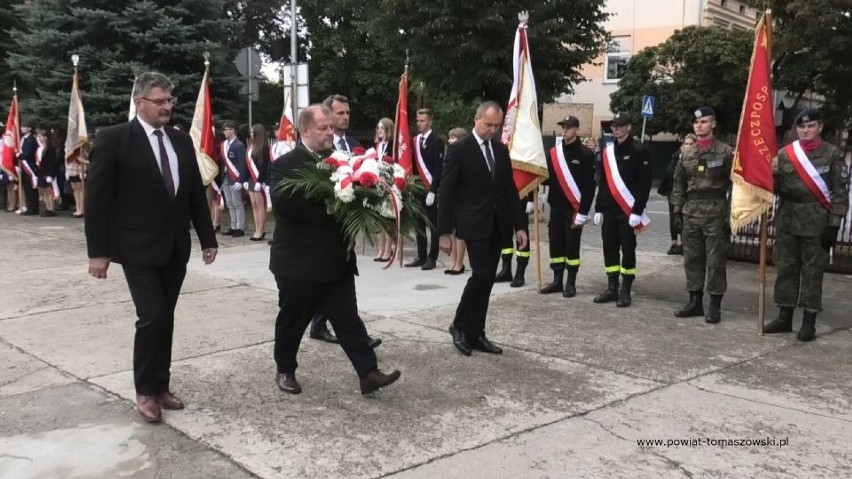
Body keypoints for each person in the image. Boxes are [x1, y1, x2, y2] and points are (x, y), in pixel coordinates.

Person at [84, 72, 218, 422]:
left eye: (169, 101)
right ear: (139, 102)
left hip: (174, 248)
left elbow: (193, 194)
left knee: (165, 318)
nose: (166, 107)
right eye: (159, 101)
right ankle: (145, 391)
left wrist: (207, 238)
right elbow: (97, 200)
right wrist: (97, 252)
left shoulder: (180, 140)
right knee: (152, 316)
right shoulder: (114, 139)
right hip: (136, 248)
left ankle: (161, 385)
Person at [269, 104, 400, 395]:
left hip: (336, 260)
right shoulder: (285, 164)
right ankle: (285, 370)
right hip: (298, 263)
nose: (331, 132)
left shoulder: (343, 161)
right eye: (323, 128)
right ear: (305, 130)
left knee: (347, 319)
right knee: (293, 320)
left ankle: (368, 373)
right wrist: (332, 207)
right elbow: (284, 205)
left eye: (332, 127)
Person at [438, 101, 528, 356]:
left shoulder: (500, 151)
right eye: (488, 125)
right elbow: (446, 192)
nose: (492, 130)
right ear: (476, 119)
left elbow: (510, 190)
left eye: (497, 126)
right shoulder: (460, 150)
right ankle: (459, 325)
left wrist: (520, 227)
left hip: (498, 225)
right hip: (473, 224)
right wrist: (444, 232)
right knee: (481, 276)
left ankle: (476, 332)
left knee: (487, 281)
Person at [763, 107, 849, 341]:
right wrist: (766, 178)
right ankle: (784, 317)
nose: (806, 130)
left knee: (812, 272)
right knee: (785, 268)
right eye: (802, 126)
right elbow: (776, 187)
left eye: (811, 126)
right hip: (788, 218)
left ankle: (808, 321)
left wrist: (834, 224)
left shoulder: (832, 154)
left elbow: (840, 193)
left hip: (817, 220)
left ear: (820, 127)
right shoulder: (784, 155)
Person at [670, 108, 733, 323]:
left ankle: (715, 305)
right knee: (693, 259)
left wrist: (731, 215)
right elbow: (678, 184)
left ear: (713, 124)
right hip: (691, 212)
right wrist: (677, 211)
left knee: (716, 262)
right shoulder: (686, 153)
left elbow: (735, 186)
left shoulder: (725, 152)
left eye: (704, 121)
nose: (699, 125)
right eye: (696, 122)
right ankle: (694, 301)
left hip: (715, 212)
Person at [592, 113, 652, 308]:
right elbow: (602, 182)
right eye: (613, 126)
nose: (615, 129)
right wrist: (599, 207)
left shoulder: (640, 150)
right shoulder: (608, 151)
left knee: (627, 250)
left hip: (627, 213)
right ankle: (611, 288)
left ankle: (625, 289)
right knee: (609, 248)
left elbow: (644, 184)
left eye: (619, 126)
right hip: (609, 210)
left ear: (629, 127)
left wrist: (637, 211)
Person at [540, 116, 596, 297]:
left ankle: (570, 282)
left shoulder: (586, 154)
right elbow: (547, 178)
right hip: (556, 206)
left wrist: (583, 212)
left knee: (572, 246)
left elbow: (589, 186)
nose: (565, 131)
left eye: (568, 127)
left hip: (574, 209)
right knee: (555, 244)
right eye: (563, 127)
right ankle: (557, 280)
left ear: (576, 129)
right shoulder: (554, 153)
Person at [406, 109, 444, 271]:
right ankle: (421, 256)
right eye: (418, 120)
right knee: (419, 224)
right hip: (418, 188)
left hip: (431, 188)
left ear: (430, 122)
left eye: (422, 120)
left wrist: (434, 191)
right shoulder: (415, 141)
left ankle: (432, 257)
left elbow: (438, 168)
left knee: (433, 225)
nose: (419, 123)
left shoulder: (436, 141)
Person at [659, 134, 696, 255]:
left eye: (691, 144)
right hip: (674, 192)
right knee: (674, 218)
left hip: (690, 193)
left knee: (687, 219)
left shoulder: (699, 158)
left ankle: (685, 244)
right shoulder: (677, 156)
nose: (688, 146)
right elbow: (669, 173)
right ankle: (674, 243)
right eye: (686, 144)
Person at [444, 127, 469, 275]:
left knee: (460, 232)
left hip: (461, 197)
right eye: (449, 137)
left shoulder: (465, 155)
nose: (449, 140)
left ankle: (459, 263)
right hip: (451, 197)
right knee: (451, 231)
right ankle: (453, 262)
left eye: (453, 138)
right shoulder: (450, 155)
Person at [373, 117, 396, 261]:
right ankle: (380, 248)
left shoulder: (392, 146)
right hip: (377, 184)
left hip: (389, 184)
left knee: (387, 219)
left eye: (382, 128)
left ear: (388, 130)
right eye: (378, 128)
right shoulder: (378, 145)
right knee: (378, 220)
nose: (379, 131)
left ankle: (388, 249)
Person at [220, 120, 248, 237]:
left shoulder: (239, 145)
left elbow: (242, 164)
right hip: (226, 176)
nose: (224, 132)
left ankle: (240, 227)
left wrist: (241, 181)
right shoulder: (225, 144)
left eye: (226, 129)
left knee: (237, 203)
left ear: (233, 130)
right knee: (230, 203)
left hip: (235, 177)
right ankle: (233, 226)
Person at [246, 124, 272, 241]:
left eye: (253, 133)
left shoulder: (264, 147)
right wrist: (246, 179)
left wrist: (260, 181)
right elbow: (247, 164)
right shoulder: (251, 146)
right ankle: (256, 229)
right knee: (254, 205)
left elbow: (264, 166)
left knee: (260, 205)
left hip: (259, 179)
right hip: (251, 178)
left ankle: (261, 231)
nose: (251, 134)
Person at [35, 128, 58, 216]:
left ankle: (52, 208)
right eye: (39, 136)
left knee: (49, 191)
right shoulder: (39, 149)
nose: (40, 138)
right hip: (41, 172)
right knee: (44, 191)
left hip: (48, 173)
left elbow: (52, 162)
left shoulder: (50, 149)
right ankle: (47, 208)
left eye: (42, 136)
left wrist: (50, 174)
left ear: (46, 137)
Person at [18, 121, 39, 216]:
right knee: (26, 187)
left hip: (29, 166)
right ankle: (29, 206)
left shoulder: (31, 139)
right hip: (24, 165)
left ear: (30, 128)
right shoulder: (23, 138)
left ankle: (33, 207)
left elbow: (28, 153)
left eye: (24, 127)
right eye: (22, 127)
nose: (22, 128)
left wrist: (19, 155)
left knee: (31, 187)